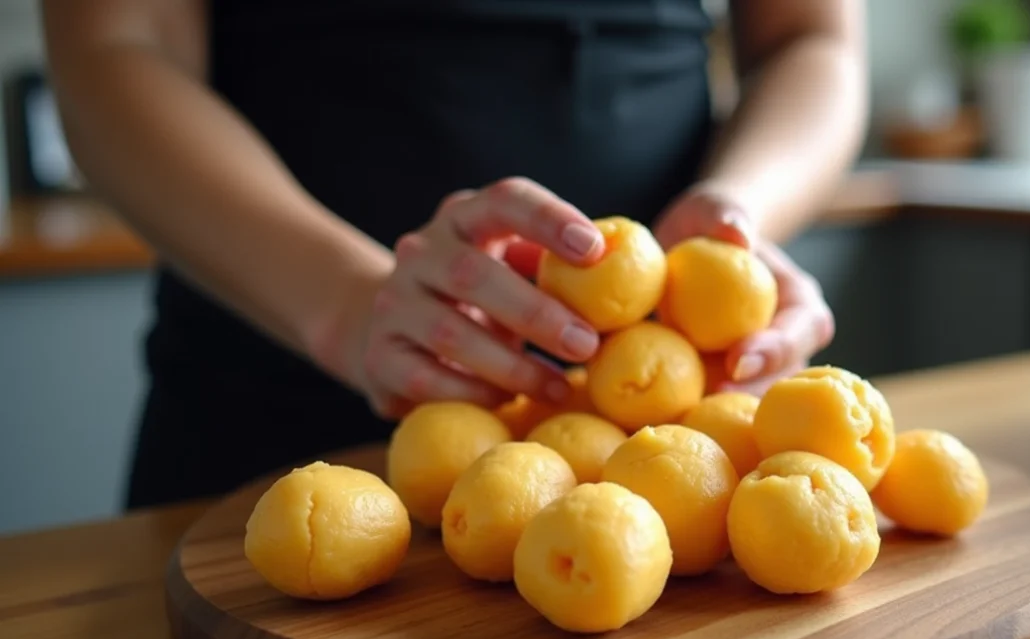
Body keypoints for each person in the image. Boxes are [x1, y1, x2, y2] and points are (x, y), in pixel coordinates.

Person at [41, 0, 868, 509]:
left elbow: (811, 38)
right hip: (266, 401)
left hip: (659, 429)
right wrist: (346, 306)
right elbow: (113, 46)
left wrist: (739, 218)